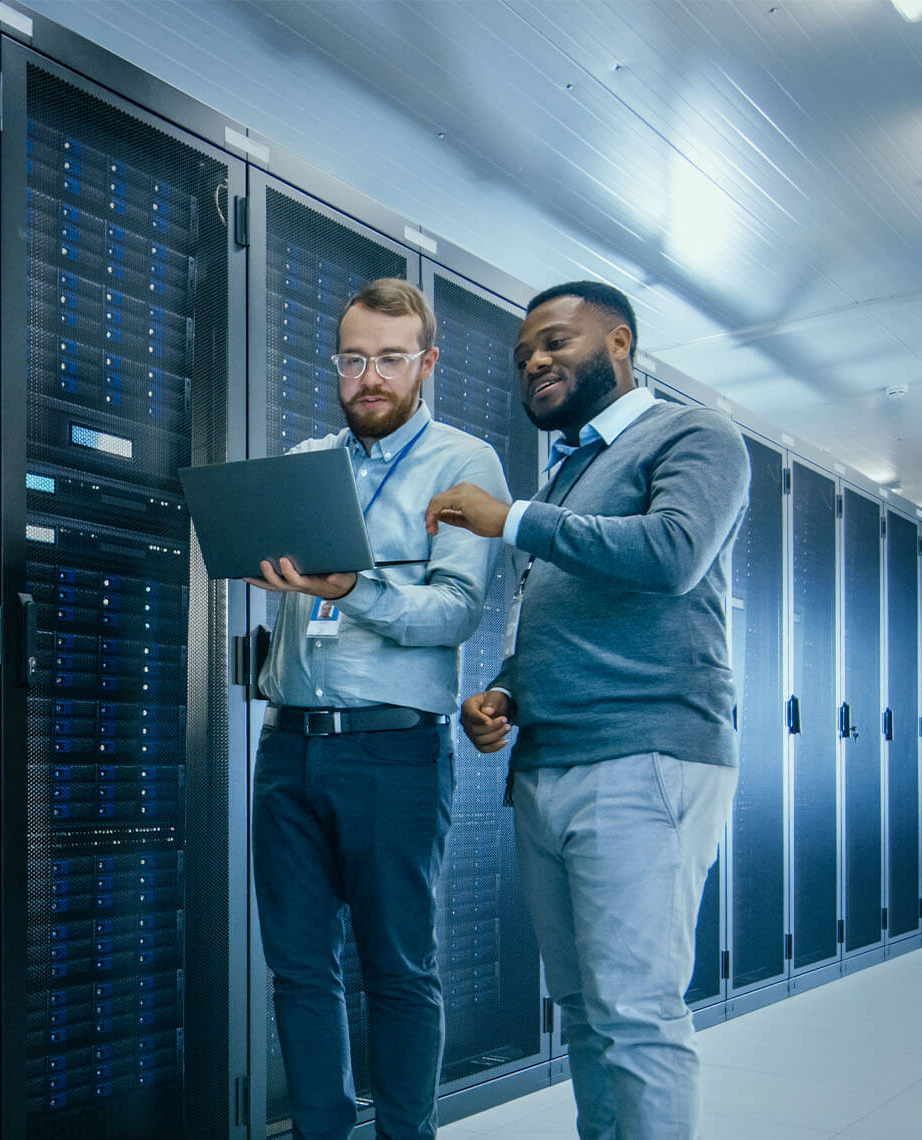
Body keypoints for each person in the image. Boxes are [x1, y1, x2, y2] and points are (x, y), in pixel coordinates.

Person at [423, 280, 750, 1140]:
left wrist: (514, 519)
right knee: (583, 1010)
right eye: (523, 354)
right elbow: (554, 618)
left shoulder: (694, 434)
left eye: (555, 342)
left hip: (643, 754)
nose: (534, 361)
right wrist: (505, 692)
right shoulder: (568, 472)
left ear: (619, 343)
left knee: (635, 1013)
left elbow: (673, 552)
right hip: (549, 763)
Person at [246, 277, 508, 1140]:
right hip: (288, 746)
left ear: (426, 364)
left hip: (393, 752)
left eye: (391, 360)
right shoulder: (304, 462)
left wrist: (352, 588)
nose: (370, 378)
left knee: (397, 969)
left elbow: (456, 612)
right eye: (353, 360)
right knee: (297, 969)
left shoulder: (464, 464)